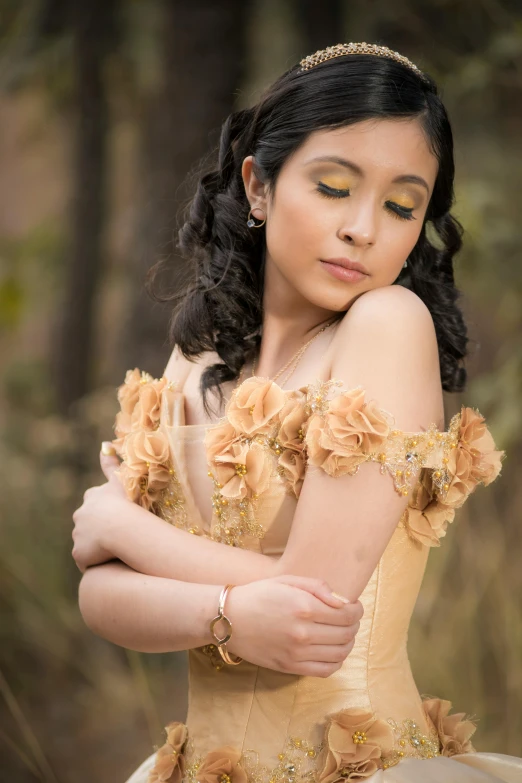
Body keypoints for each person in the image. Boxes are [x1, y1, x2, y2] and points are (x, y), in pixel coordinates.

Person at [71, 42, 522, 782]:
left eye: (402, 204)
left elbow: (312, 609)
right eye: (334, 187)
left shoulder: (387, 322)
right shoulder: (197, 358)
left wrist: (124, 527)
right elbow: (98, 595)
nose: (364, 229)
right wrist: (227, 611)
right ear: (258, 184)